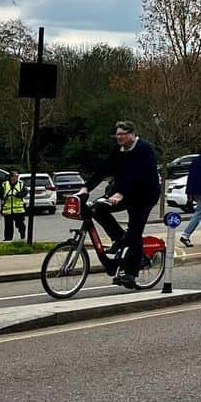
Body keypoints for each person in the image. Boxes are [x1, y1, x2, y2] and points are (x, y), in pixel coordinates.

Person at [78, 120, 160, 288]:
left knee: (134, 231)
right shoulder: (119, 150)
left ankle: (130, 274)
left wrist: (121, 192)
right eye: (117, 135)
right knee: (98, 208)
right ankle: (119, 239)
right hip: (123, 192)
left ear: (131, 134)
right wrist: (86, 187)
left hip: (144, 195)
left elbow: (139, 175)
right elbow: (104, 169)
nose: (119, 138)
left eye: (122, 134)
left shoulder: (144, 149)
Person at [0, 169, 27, 242]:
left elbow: (25, 193)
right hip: (8, 209)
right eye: (14, 176)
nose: (16, 178)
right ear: (11, 177)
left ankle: (22, 234)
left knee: (20, 224)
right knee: (8, 226)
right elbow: (0, 194)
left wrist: (19, 195)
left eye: (17, 176)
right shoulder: (4, 184)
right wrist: (4, 197)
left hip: (19, 209)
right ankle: (8, 239)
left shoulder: (21, 184)